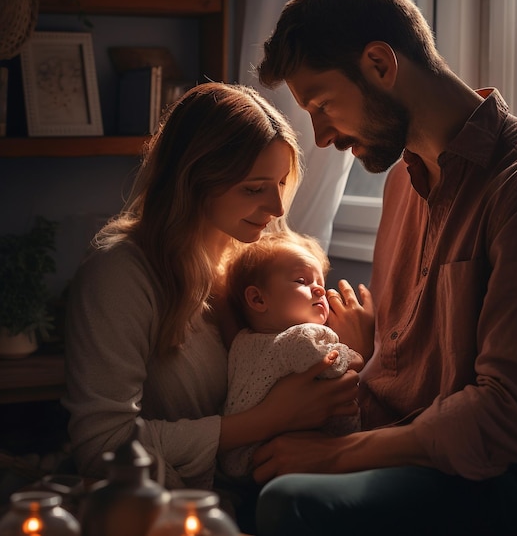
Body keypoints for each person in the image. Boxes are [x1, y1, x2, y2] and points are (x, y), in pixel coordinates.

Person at [251, 0, 517, 536]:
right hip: (409, 452)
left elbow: (512, 420)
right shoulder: (404, 180)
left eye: (322, 105)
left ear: (379, 63)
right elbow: (404, 374)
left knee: (292, 502)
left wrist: (332, 457)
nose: (321, 137)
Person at [61, 82, 360, 520]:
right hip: (163, 512)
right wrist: (269, 419)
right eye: (254, 188)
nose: (277, 207)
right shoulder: (119, 274)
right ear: (194, 181)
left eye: (280, 183)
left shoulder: (257, 264)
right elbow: (103, 445)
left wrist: (354, 343)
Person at [220, 229, 366, 480]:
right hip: (283, 456)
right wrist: (357, 352)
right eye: (302, 281)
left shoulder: (241, 342)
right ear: (257, 298)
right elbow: (326, 362)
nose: (320, 290)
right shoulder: (301, 336)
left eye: (320, 282)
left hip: (239, 457)